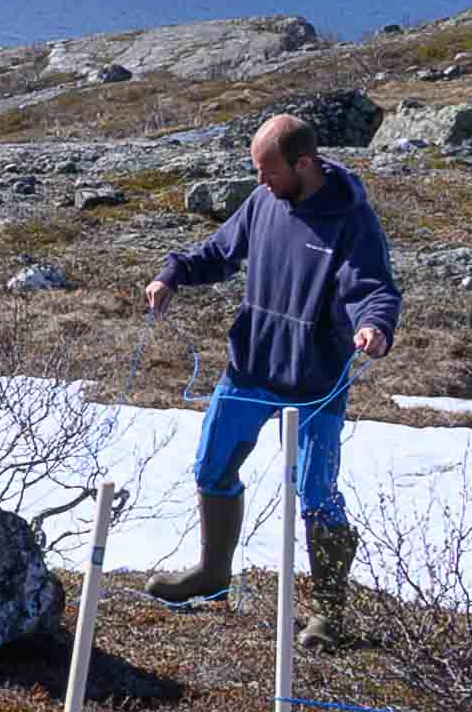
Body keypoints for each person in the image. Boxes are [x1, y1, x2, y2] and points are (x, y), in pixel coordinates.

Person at [139, 113, 404, 647]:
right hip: (249, 367)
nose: (260, 182)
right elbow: (218, 253)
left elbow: (373, 286)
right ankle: (212, 575)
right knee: (212, 467)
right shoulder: (263, 202)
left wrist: (374, 326)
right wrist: (172, 273)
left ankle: (328, 613)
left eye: (267, 171)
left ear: (303, 164)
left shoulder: (352, 219)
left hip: (315, 381)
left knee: (316, 493)